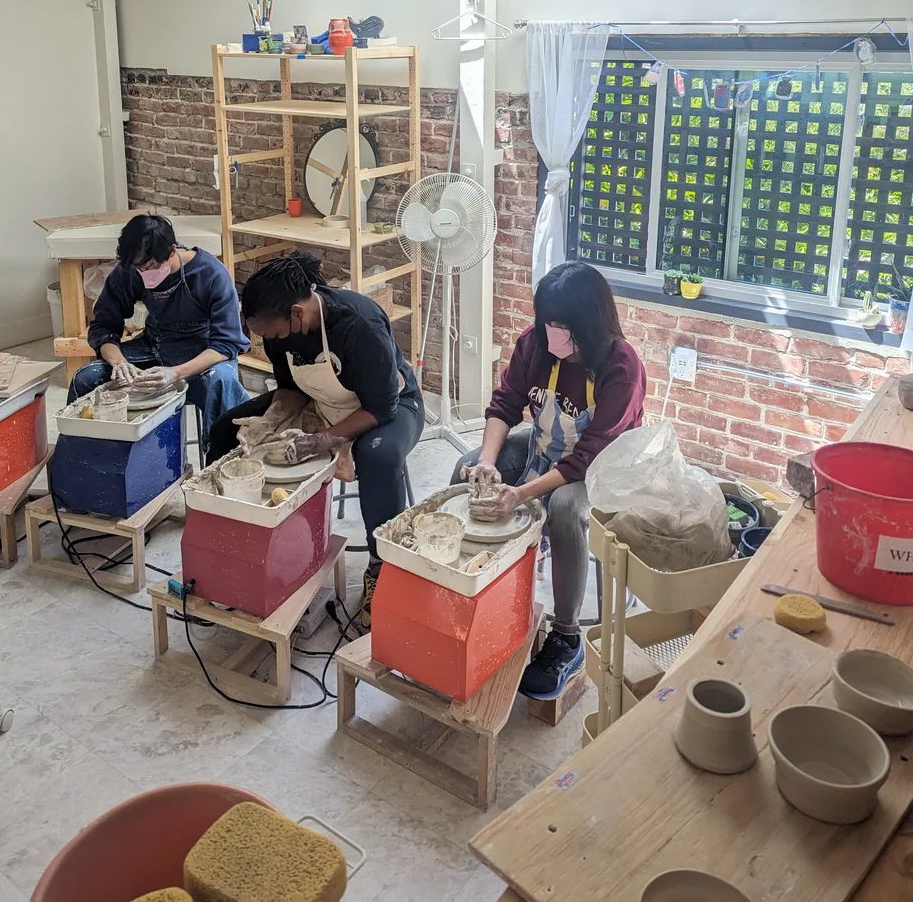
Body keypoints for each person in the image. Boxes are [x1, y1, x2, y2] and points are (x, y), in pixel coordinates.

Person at [452, 261, 645, 700]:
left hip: (602, 469)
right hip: (546, 445)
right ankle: (482, 593)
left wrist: (519, 494)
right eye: (548, 321)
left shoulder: (621, 368)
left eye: (563, 324)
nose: (553, 331)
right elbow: (504, 405)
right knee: (466, 469)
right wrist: (487, 461)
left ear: (591, 323)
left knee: (563, 508)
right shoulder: (535, 344)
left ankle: (566, 636)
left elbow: (584, 462)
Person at [210, 251, 424, 628]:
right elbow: (291, 388)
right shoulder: (278, 329)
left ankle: (382, 566)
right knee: (228, 428)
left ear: (296, 313)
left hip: (390, 404)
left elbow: (381, 408)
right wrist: (272, 419)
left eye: (272, 333)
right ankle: (239, 544)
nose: (270, 341)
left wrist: (321, 440)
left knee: (379, 455)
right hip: (322, 401)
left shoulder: (359, 323)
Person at [67, 214, 249, 457]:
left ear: (172, 251)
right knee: (87, 378)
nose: (144, 273)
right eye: (138, 267)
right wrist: (119, 362)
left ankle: (220, 467)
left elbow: (226, 344)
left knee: (222, 382)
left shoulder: (211, 274)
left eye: (150, 266)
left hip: (204, 353)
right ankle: (94, 462)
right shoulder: (130, 271)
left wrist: (175, 372)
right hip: (154, 344)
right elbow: (103, 326)